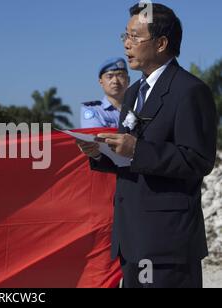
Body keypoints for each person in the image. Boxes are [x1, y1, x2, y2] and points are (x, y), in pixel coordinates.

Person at [77, 3, 217, 288]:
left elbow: (198, 160)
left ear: (162, 43)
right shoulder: (133, 93)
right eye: (124, 36)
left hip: (166, 243)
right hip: (131, 237)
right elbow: (127, 156)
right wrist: (100, 153)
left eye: (135, 37)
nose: (127, 44)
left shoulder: (190, 91)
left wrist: (136, 149)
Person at [81, 57, 130, 128]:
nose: (115, 81)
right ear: (101, 82)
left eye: (120, 76)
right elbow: (94, 137)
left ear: (128, 80)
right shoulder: (93, 110)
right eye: (109, 76)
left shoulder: (138, 107)